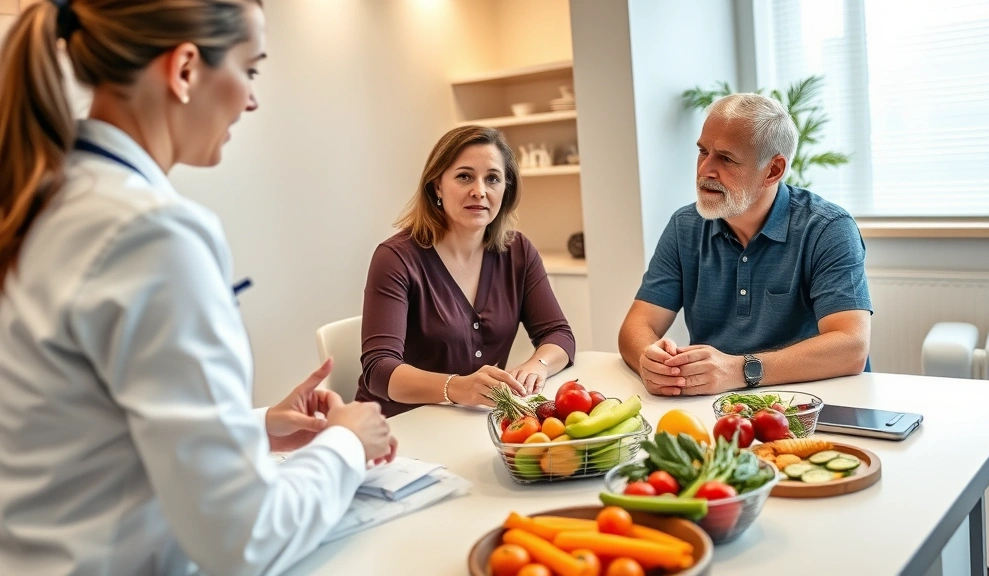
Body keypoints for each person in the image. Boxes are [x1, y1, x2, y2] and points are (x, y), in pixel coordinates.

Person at [0, 1, 396, 574]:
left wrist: (248, 426)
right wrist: (347, 443)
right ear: (185, 69)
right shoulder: (151, 234)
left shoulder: (43, 200)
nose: (253, 99)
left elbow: (76, 424)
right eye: (250, 70)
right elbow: (246, 539)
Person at [618, 93, 872, 397]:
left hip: (813, 402)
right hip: (717, 404)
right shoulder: (684, 225)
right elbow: (637, 323)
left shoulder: (828, 228)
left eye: (726, 158)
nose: (704, 170)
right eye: (702, 151)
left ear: (774, 170)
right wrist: (649, 359)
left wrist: (739, 369)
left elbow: (851, 346)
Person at [356, 125, 576, 418]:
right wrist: (458, 388)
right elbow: (380, 370)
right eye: (464, 176)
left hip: (469, 424)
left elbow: (558, 334)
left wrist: (539, 364)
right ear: (437, 186)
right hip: (396, 429)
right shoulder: (395, 258)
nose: (480, 191)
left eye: (493, 179)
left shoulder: (518, 251)